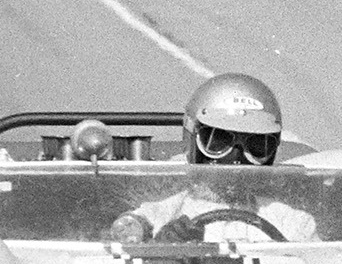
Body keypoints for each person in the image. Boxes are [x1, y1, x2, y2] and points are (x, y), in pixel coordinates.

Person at [107, 73, 317, 243]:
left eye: (256, 145)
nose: (236, 158)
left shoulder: (294, 224)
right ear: (192, 138)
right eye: (219, 141)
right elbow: (115, 250)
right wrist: (157, 248)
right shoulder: (156, 216)